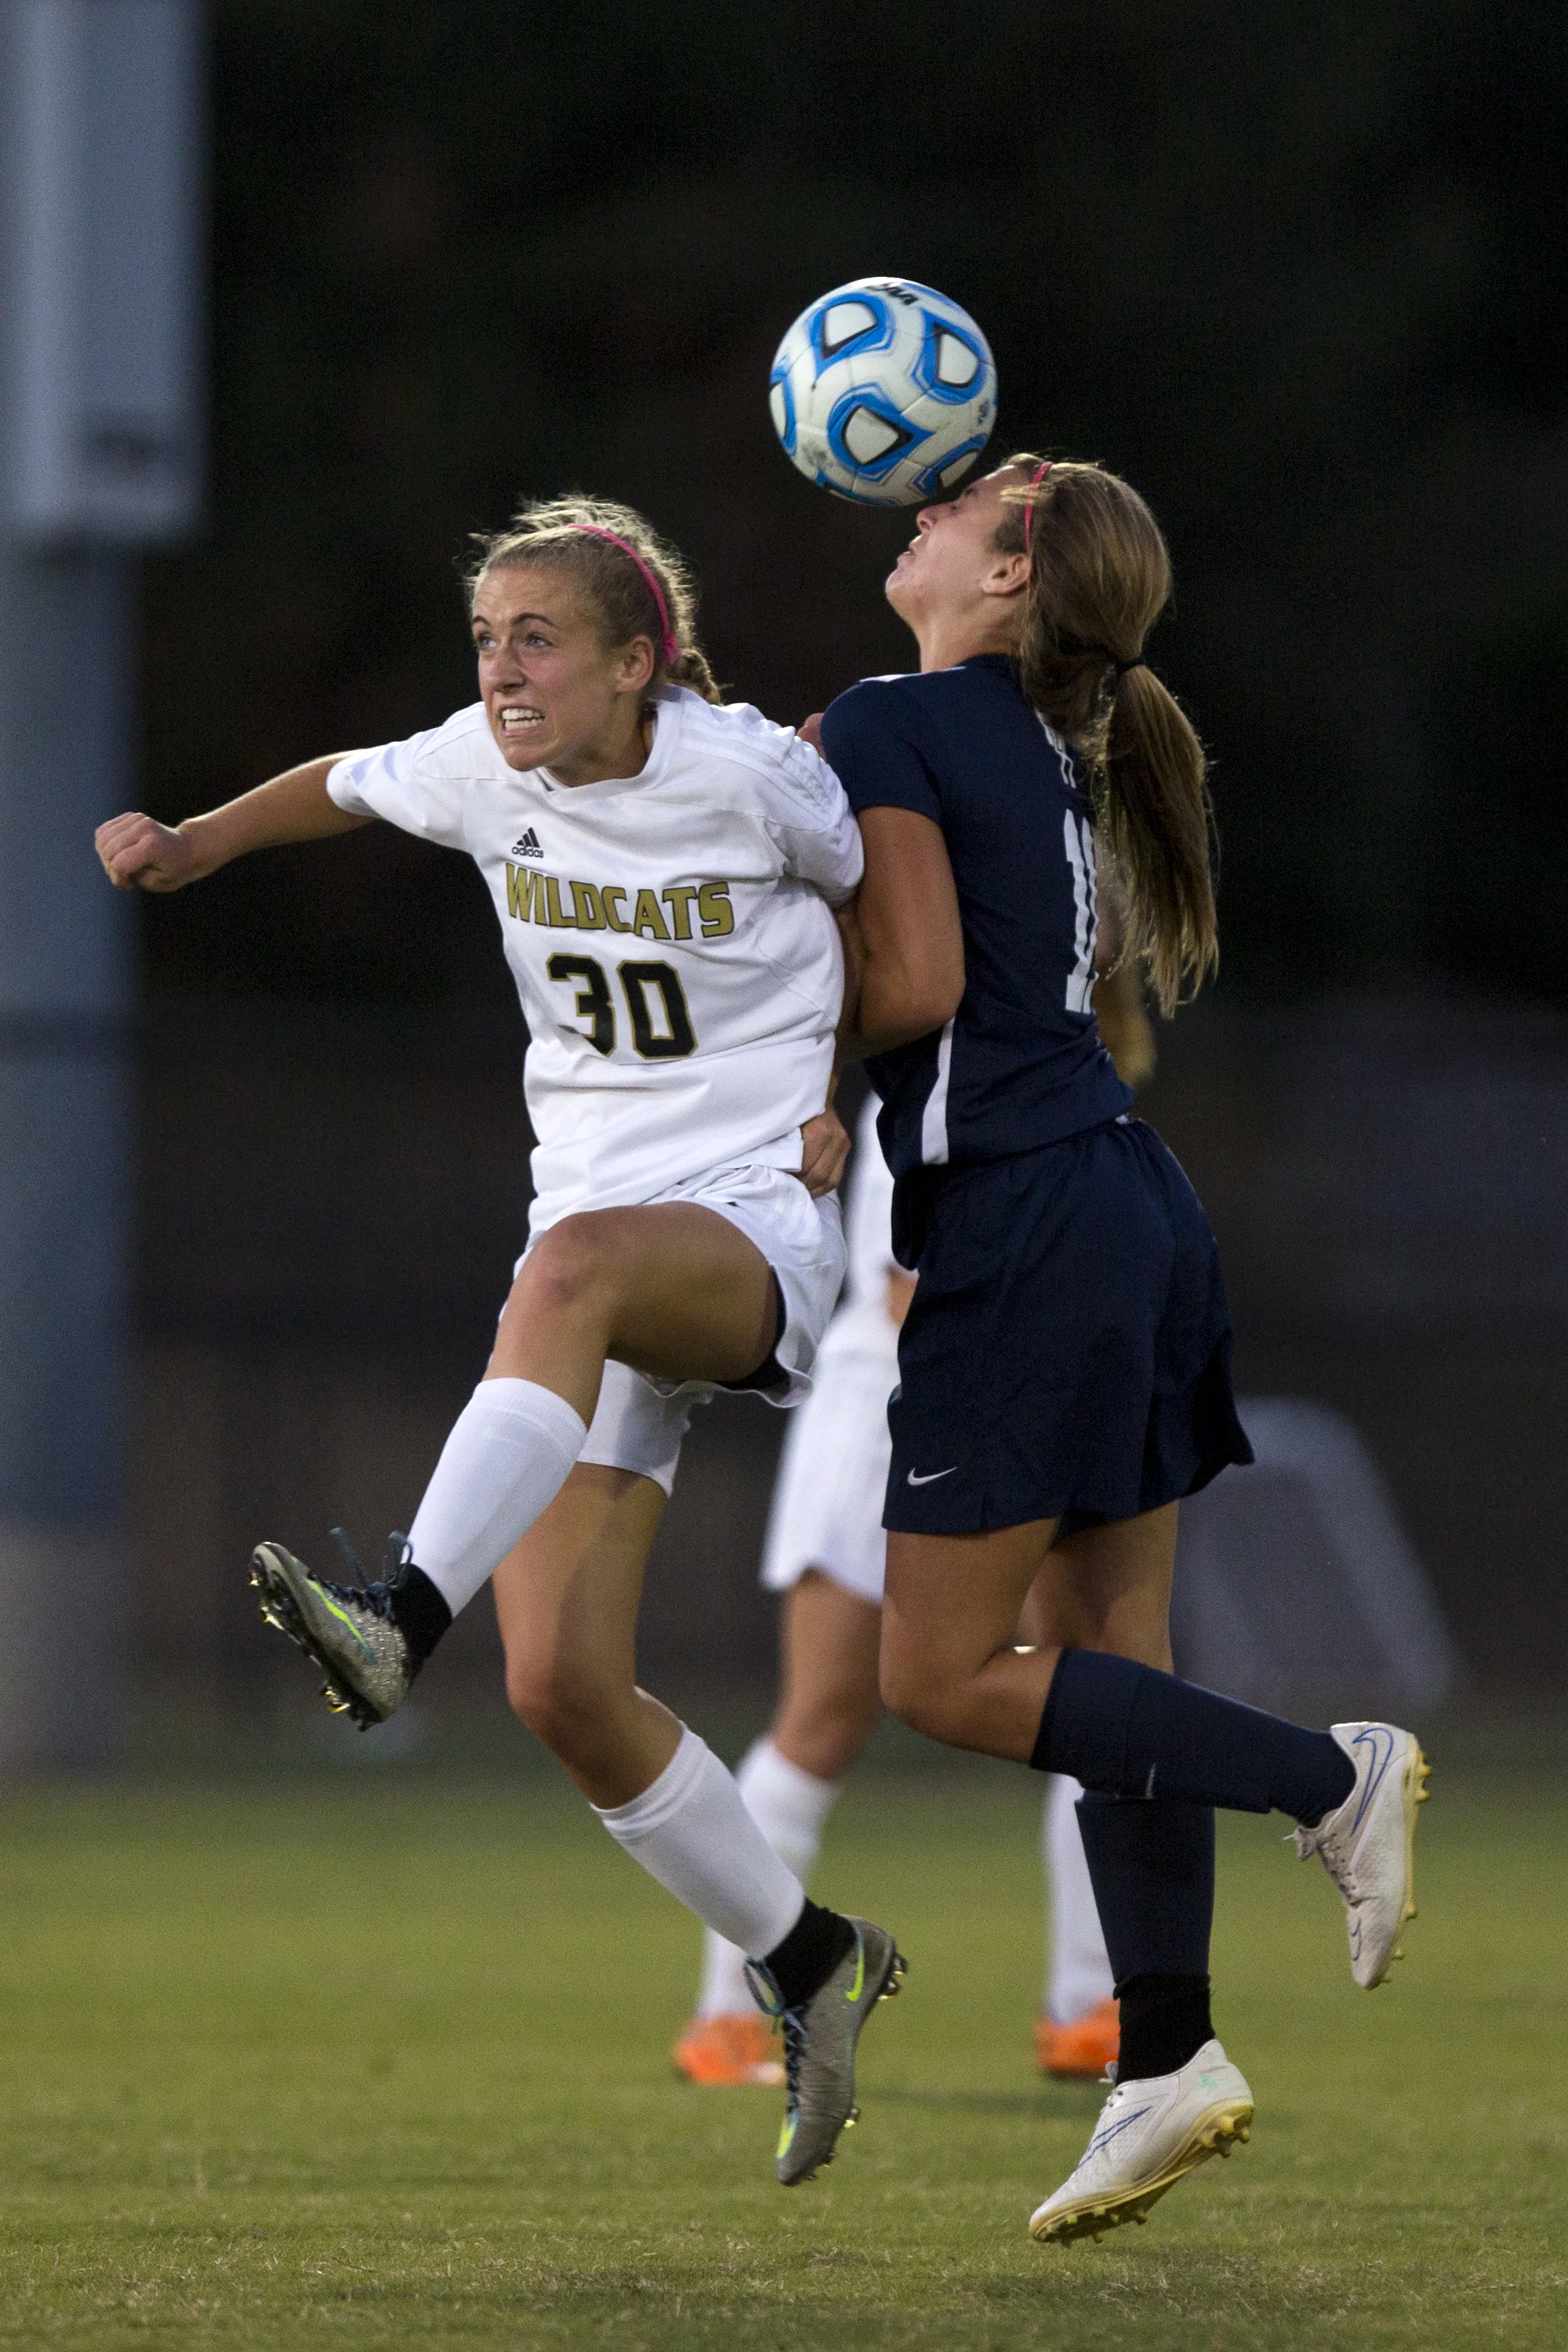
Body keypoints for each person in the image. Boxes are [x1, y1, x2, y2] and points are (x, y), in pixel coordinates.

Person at [94, 495, 903, 2190]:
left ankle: (394, 1618)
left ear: (637, 658)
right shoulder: (482, 764)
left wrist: (841, 1103)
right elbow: (338, 782)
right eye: (486, 639)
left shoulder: (749, 770)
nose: (502, 668)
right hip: (593, 1269)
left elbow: (883, 903)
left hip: (741, 1231)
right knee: (562, 1687)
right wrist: (191, 843)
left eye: (538, 638)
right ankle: (815, 1960)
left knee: (572, 1269)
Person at [822, 455, 1429, 2244]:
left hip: (1028, 1221)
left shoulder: (903, 715)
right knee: (1110, 1654)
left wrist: (775, 993)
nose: (917, 509)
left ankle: (1330, 1775)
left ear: (1009, 570)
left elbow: (916, 988)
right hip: (1117, 1199)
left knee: (937, 1676)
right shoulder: (1030, 737)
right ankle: (1159, 2050)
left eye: (962, 502)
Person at [672, 1087, 1123, 2091]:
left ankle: (1089, 2006)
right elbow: (909, 1299)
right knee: (822, 1720)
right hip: (884, 1417)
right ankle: (727, 2020)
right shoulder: (940, 1098)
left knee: (1087, 1699)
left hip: (1003, 1418)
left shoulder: (1074, 1100)